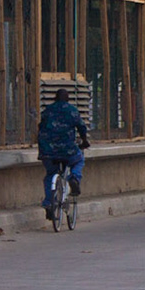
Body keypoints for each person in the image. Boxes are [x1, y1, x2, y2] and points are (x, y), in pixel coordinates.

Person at [37, 88, 90, 221]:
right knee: (79, 160)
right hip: (67, 150)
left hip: (47, 151)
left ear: (55, 98)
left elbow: (40, 126)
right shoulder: (72, 110)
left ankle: (49, 203)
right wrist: (84, 141)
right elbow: (81, 127)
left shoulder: (47, 111)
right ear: (67, 99)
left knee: (50, 174)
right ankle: (74, 178)